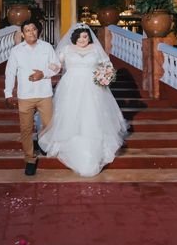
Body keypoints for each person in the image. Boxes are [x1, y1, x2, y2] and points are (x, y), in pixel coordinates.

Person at [38, 23, 128, 177]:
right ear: (74, 37)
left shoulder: (95, 49)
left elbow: (107, 65)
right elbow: (57, 66)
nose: (82, 39)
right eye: (79, 37)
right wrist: (50, 66)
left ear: (89, 36)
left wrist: (105, 76)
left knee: (91, 115)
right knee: (70, 113)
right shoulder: (67, 49)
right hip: (70, 86)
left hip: (92, 88)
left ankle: (93, 145)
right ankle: (69, 141)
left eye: (85, 36)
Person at [4, 19, 60, 176]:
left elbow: (56, 66)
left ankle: (43, 143)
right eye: (27, 30)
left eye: (33, 29)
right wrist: (8, 94)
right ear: (22, 34)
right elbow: (10, 73)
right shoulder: (16, 51)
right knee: (26, 129)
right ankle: (30, 159)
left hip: (44, 94)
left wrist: (44, 73)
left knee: (49, 125)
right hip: (25, 96)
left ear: (38, 31)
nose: (31, 32)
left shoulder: (47, 47)